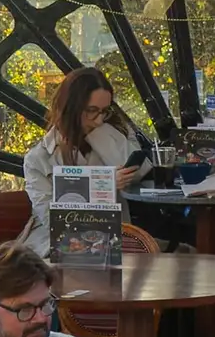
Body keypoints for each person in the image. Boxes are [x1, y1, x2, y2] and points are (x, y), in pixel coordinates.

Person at [18, 66, 155, 256]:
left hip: (115, 242)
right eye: (91, 111)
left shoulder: (111, 133)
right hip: (58, 245)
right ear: (70, 107)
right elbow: (52, 219)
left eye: (104, 111)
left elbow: (138, 172)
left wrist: (100, 133)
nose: (99, 120)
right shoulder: (38, 159)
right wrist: (102, 185)